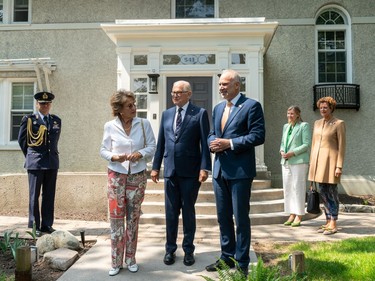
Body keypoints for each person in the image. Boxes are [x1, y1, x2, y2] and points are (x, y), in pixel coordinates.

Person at [206, 69, 265, 276]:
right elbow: (213, 132)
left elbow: (258, 136)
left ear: (237, 86)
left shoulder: (251, 106)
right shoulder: (217, 108)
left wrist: (229, 143)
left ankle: (242, 263)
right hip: (219, 171)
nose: (221, 88)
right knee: (223, 218)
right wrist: (211, 143)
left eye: (225, 84)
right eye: (220, 84)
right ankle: (227, 257)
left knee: (240, 219)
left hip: (240, 172)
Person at [151, 80, 211, 267]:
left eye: (179, 92)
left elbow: (205, 144)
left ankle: (188, 251)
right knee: (170, 213)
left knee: (188, 212)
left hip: (190, 173)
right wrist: (155, 166)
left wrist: (204, 168)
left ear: (188, 94)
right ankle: (170, 250)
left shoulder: (199, 114)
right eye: (173, 92)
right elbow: (161, 142)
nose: (175, 95)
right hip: (170, 171)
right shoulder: (167, 114)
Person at [100, 90, 156, 276]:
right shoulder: (110, 126)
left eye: (134, 104)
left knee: (133, 219)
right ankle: (116, 262)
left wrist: (141, 153)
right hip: (116, 176)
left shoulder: (143, 123)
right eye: (129, 106)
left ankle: (131, 258)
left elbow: (152, 146)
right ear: (119, 109)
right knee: (116, 219)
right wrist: (114, 156)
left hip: (137, 176)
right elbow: (103, 150)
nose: (134, 108)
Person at [18, 91, 62, 237]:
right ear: (37, 104)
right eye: (42, 103)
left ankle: (47, 224)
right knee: (34, 195)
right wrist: (31, 156)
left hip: (51, 162)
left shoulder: (56, 120)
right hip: (35, 163)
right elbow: (22, 141)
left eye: (48, 103)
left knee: (49, 195)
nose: (45, 105)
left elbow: (54, 142)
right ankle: (35, 225)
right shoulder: (30, 119)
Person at [308, 96, 346, 235]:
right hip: (318, 164)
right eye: (321, 108)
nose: (323, 110)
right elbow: (313, 145)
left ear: (331, 108)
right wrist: (312, 165)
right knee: (323, 193)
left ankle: (334, 222)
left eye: (326, 107)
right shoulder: (317, 123)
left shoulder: (338, 123)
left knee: (331, 193)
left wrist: (339, 166)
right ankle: (327, 221)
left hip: (331, 163)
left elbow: (342, 146)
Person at [280, 106, 311, 227]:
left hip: (299, 161)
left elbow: (306, 144)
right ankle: (291, 213)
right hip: (286, 161)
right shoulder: (286, 126)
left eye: (292, 114)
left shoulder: (304, 126)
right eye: (288, 113)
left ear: (298, 114)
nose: (289, 116)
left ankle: (299, 214)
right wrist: (282, 151)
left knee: (298, 187)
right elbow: (283, 143)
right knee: (288, 188)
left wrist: (293, 153)